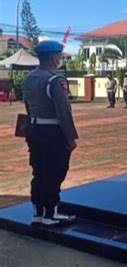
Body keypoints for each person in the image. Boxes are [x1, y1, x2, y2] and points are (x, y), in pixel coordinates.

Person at [22, 40, 77, 226]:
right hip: (53, 132)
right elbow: (63, 111)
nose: (59, 59)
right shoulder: (55, 79)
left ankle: (38, 212)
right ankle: (51, 214)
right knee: (55, 171)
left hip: (35, 130)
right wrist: (70, 137)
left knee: (38, 171)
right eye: (59, 56)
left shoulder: (29, 78)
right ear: (54, 58)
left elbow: (28, 107)